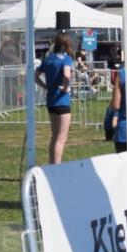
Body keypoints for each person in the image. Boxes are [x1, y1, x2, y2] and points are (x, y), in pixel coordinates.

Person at [34, 32, 74, 164]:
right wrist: (65, 87)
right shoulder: (66, 59)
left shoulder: (48, 59)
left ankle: (52, 164)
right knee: (61, 139)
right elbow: (67, 74)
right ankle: (57, 167)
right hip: (62, 101)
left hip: (51, 100)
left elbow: (35, 76)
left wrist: (45, 86)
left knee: (54, 136)